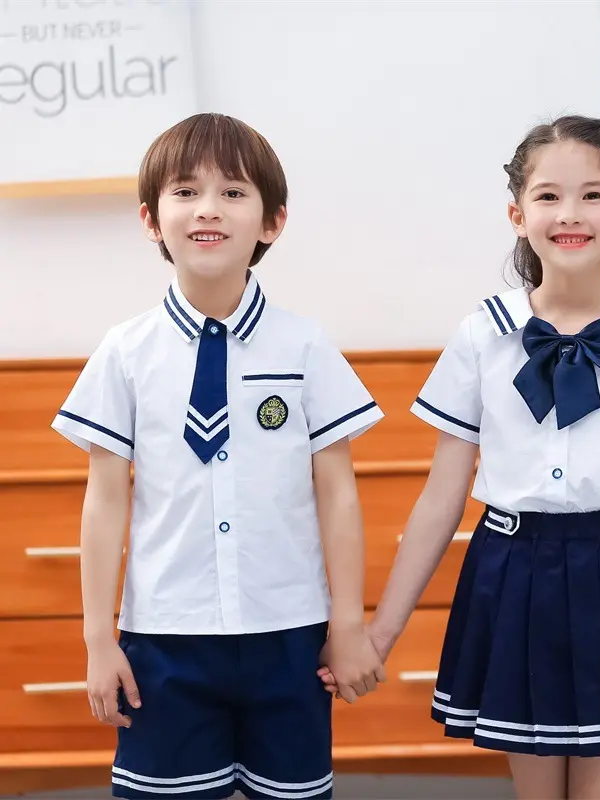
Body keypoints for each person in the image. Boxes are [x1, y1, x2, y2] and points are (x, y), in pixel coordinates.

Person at [319, 115, 600, 799]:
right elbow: (440, 498)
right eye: (548, 196)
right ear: (517, 214)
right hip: (512, 576)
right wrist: (378, 632)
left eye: (593, 196)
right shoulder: (482, 335)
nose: (570, 214)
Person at [52, 112, 385, 800]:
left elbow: (339, 494)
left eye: (233, 192)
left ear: (273, 221)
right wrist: (97, 640)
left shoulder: (305, 347)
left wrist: (348, 624)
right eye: (185, 191)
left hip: (289, 634)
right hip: (165, 641)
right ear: (151, 219)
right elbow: (106, 498)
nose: (208, 209)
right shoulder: (126, 351)